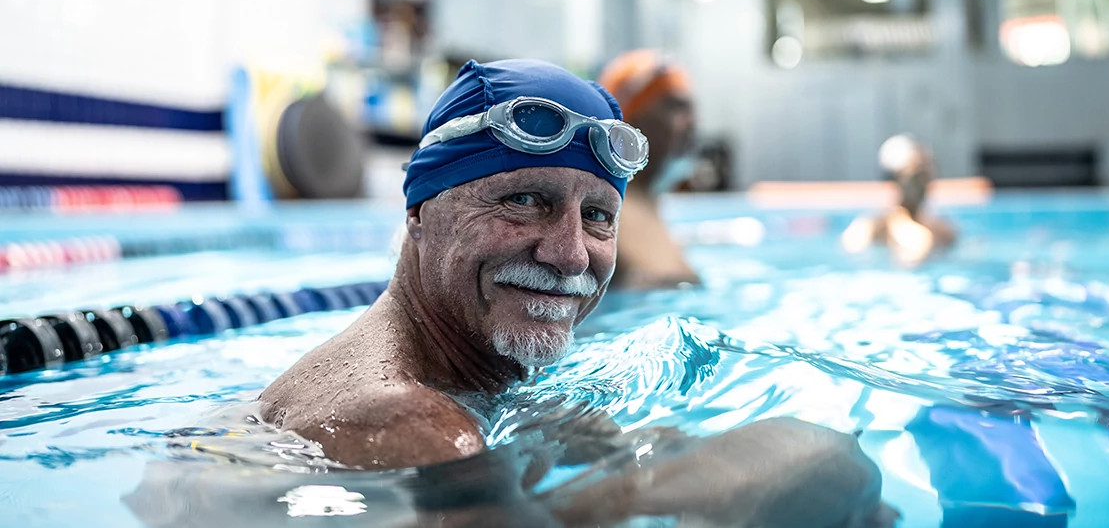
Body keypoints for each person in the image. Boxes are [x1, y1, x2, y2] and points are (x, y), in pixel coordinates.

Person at [259, 59, 895, 526]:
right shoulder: (411, 426)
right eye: (524, 199)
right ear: (420, 211)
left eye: (597, 217)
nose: (568, 255)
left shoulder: (486, 380)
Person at [597, 50, 701, 289]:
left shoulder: (648, 204)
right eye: (674, 107)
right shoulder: (611, 211)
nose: (691, 123)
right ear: (630, 120)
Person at [842, 134, 957, 265]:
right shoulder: (874, 225)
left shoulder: (942, 229)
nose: (922, 184)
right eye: (915, 176)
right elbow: (852, 247)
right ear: (896, 179)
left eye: (925, 176)